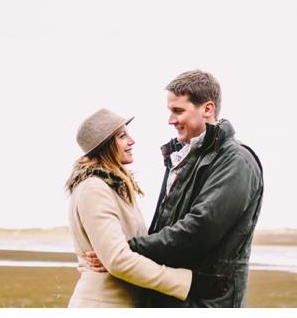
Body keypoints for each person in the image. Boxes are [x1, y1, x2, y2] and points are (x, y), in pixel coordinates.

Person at [86, 70, 264, 307]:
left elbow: (200, 230)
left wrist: (126, 251)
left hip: (208, 301)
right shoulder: (183, 157)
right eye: (170, 111)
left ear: (208, 109)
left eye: (178, 111)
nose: (171, 120)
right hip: (174, 298)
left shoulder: (236, 161)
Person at [65, 107, 228, 307]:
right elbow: (118, 260)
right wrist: (189, 282)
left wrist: (128, 251)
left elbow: (122, 252)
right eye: (122, 136)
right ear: (106, 145)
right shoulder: (94, 188)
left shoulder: (113, 188)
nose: (131, 141)